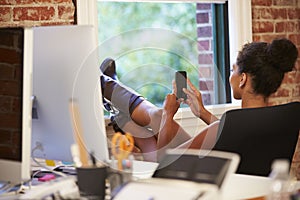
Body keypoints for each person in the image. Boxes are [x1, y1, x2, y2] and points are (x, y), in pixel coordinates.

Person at [100, 38, 298, 162]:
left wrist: (170, 113)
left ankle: (105, 87)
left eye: (232, 71)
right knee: (158, 116)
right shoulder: (282, 119)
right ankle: (114, 103)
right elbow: (233, 134)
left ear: (243, 78)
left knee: (161, 118)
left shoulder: (229, 125)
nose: (231, 76)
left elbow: (162, 161)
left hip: (197, 179)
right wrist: (201, 111)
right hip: (232, 179)